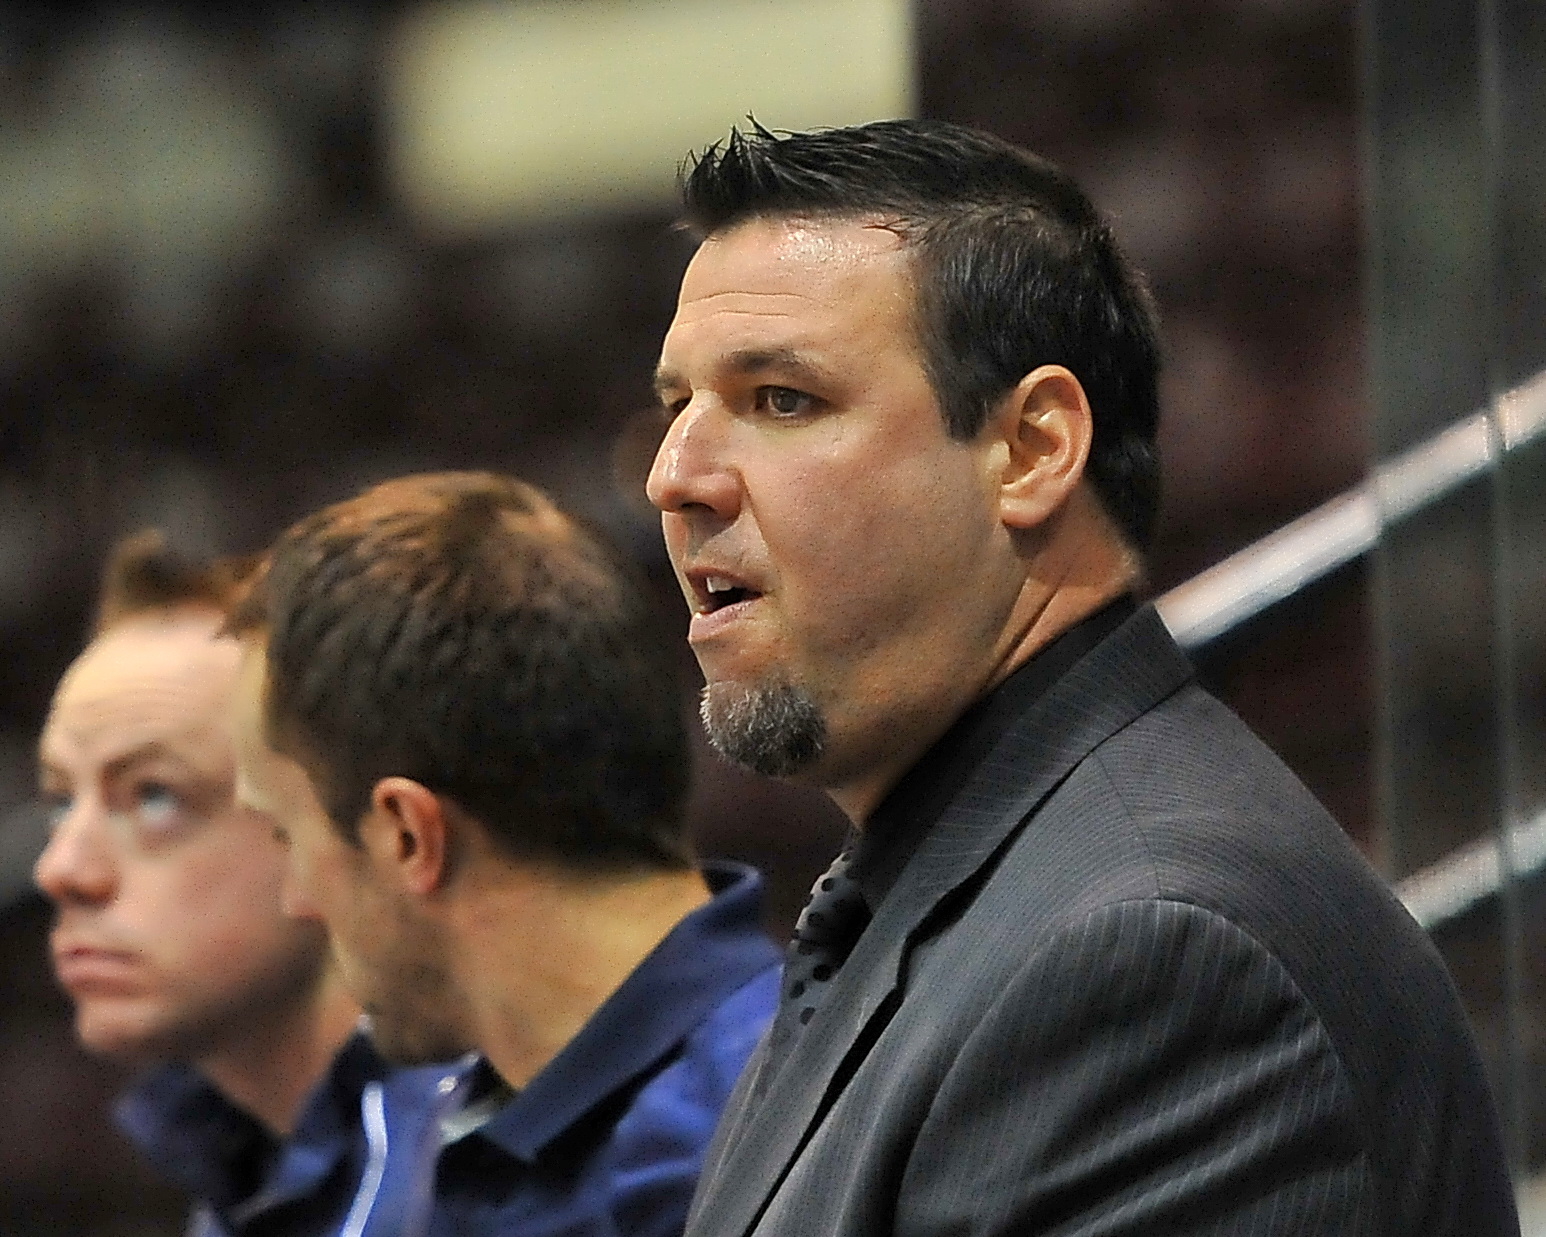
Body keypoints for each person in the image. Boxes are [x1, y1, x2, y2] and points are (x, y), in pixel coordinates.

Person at [645, 118, 1520, 1236]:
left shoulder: (1156, 950)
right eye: (676, 407)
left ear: (1033, 449)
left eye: (781, 399)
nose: (675, 476)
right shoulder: (957, 895)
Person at [228, 471, 781, 1237]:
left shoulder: (765, 1153)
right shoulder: (421, 1124)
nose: (296, 900)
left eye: (287, 834)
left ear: (407, 836)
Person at [33, 531, 435, 1237]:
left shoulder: (477, 1181)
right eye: (63, 801)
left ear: (332, 819)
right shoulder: (233, 1172)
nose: (62, 870)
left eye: (154, 795)